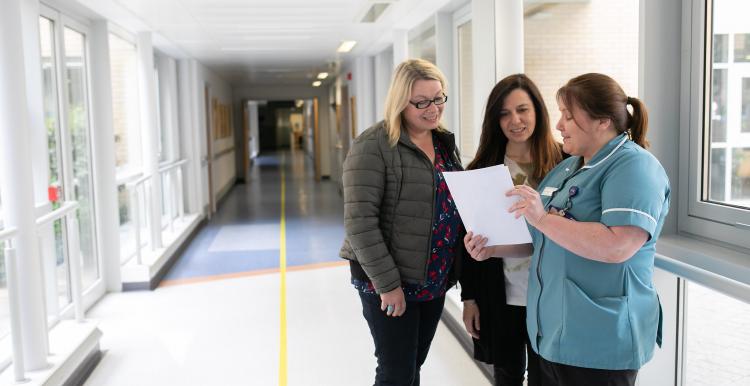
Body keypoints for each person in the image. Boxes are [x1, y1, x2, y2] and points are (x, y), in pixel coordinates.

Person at [503, 73, 671, 386]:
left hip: (599, 342)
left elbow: (617, 246)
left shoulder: (634, 167)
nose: (559, 125)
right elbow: (542, 237)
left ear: (602, 121)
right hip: (551, 336)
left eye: (568, 116)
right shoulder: (568, 168)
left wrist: (542, 218)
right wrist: (490, 248)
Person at [339, 59, 464, 386]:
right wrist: (389, 285)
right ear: (399, 103)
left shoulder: (443, 143)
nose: (432, 108)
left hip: (433, 277)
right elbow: (359, 222)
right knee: (395, 371)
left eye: (438, 98)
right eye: (421, 102)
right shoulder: (373, 146)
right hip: (389, 281)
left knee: (413, 366)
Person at [460, 74, 563, 386]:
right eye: (504, 114)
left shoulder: (566, 162)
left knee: (549, 377)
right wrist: (470, 299)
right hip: (501, 294)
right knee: (507, 376)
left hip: (552, 295)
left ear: (538, 112)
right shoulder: (482, 168)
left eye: (522, 110)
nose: (514, 120)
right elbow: (467, 239)